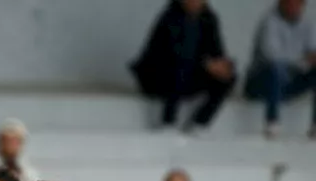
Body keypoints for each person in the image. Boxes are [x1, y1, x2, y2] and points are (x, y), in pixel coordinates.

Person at [130, 0, 235, 134]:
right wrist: (205, 64)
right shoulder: (170, 17)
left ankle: (199, 124)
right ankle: (168, 122)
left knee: (227, 75)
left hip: (190, 75)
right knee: (181, 65)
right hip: (160, 77)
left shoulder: (209, 18)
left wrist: (220, 65)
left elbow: (217, 50)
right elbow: (172, 53)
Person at [244, 0, 316, 139]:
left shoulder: (308, 25)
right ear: (281, 3)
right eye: (290, 3)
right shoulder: (269, 22)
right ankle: (272, 122)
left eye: (298, 4)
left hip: (288, 82)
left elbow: (312, 54)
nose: (294, 7)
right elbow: (272, 55)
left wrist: (307, 60)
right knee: (276, 69)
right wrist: (303, 59)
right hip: (261, 82)